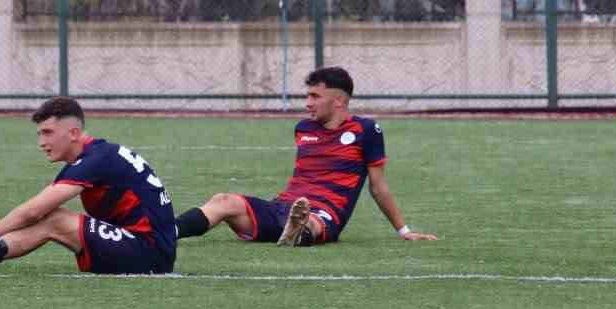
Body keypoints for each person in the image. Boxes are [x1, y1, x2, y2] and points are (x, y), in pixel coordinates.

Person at [173, 66, 437, 247]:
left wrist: (404, 231)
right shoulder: (303, 128)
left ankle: (297, 233)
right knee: (224, 200)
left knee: (310, 221)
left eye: (315, 96)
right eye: (307, 95)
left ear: (339, 101)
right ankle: (167, 232)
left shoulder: (366, 130)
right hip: (283, 206)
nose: (308, 103)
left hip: (324, 214)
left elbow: (378, 187)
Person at [0, 96, 177, 276]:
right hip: (144, 244)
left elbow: (35, 210)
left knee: (53, 219)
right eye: (39, 134)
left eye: (48, 133)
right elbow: (39, 208)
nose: (41, 142)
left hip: (148, 254)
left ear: (74, 133)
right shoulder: (95, 155)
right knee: (51, 216)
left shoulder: (96, 160)